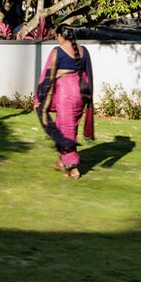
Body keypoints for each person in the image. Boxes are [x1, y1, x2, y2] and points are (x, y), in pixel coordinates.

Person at [33, 33, 95, 179]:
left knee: (65, 129)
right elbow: (88, 74)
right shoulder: (84, 50)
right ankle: (62, 161)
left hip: (65, 94)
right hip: (82, 93)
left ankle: (73, 167)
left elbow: (46, 75)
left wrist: (38, 97)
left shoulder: (58, 51)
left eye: (57, 36)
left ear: (60, 36)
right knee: (67, 125)